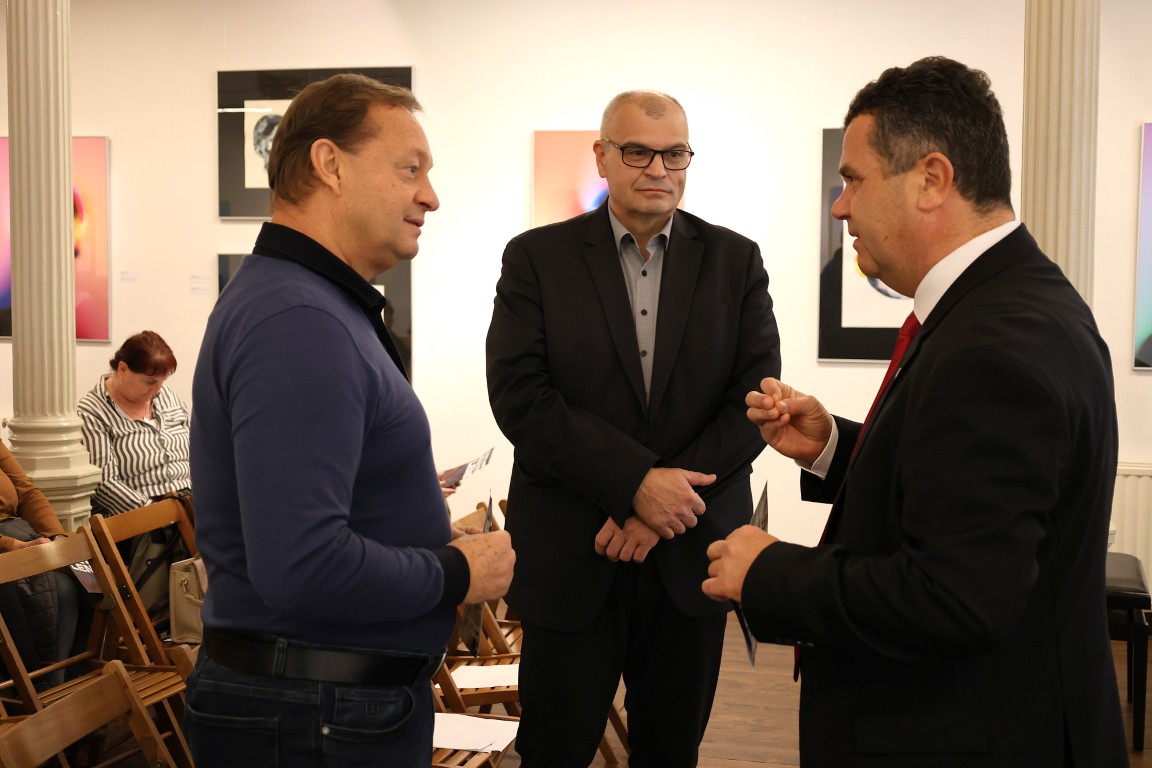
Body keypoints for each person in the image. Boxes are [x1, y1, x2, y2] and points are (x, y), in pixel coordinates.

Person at [703, 56, 1127, 766]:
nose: (840, 207)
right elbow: (958, 490)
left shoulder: (991, 347)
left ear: (931, 179)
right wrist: (836, 448)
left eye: (854, 180)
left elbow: (955, 597)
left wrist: (770, 572)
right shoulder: (1015, 300)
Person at [187, 73, 514, 767]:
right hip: (313, 714)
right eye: (410, 169)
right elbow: (302, 565)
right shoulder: (298, 320)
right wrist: (454, 572)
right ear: (329, 165)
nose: (430, 196)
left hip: (320, 705)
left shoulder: (309, 305)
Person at [487, 90, 781, 766]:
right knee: (554, 752)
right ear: (602, 156)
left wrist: (660, 507)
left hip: (692, 554)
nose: (658, 169)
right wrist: (635, 485)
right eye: (638, 152)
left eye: (674, 154)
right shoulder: (536, 258)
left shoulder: (735, 260)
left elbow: (754, 401)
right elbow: (521, 397)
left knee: (671, 753)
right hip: (572, 552)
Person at [78, 330, 191, 516]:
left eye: (162, 381)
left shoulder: (168, 397)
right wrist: (156, 513)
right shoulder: (92, 411)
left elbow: (197, 449)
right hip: (141, 516)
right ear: (123, 369)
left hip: (189, 503)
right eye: (150, 382)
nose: (157, 390)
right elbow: (105, 484)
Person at [0, 440, 79, 688]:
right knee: (58, 590)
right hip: (6, 544)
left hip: (17, 531)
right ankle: (38, 691)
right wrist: (9, 545)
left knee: (79, 581)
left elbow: (25, 491)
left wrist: (56, 537)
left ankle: (59, 686)